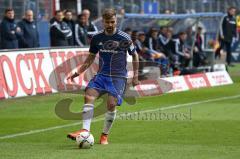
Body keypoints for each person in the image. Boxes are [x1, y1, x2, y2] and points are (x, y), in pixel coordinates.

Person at [66, 8, 139, 145]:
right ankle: (85, 131)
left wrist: (135, 76)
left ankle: (104, 135)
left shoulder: (124, 38)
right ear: (103, 22)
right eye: (107, 22)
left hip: (118, 77)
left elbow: (134, 55)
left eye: (113, 22)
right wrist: (77, 73)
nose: (110, 24)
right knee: (88, 96)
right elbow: (90, 59)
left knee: (111, 104)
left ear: (116, 21)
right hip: (102, 75)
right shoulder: (97, 38)